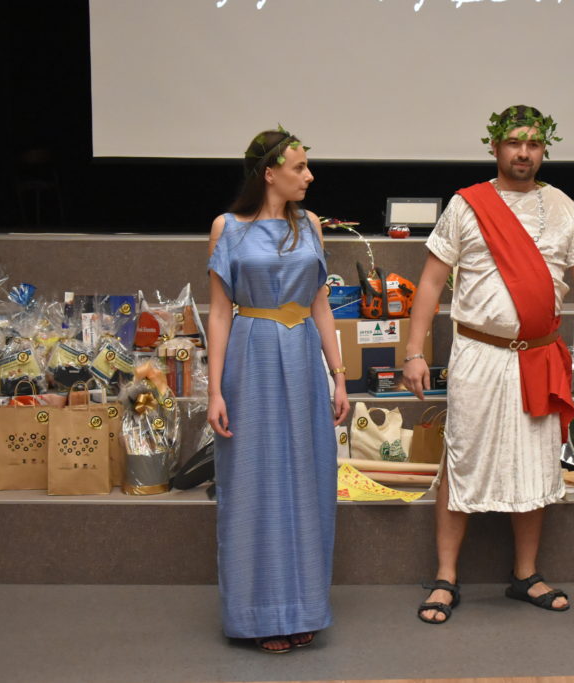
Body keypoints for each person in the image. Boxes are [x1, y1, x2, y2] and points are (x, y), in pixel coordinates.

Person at [402, 105, 574, 624]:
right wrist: (413, 352)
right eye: (514, 143)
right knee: (462, 459)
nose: (524, 153)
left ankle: (525, 574)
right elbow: (431, 282)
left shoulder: (562, 207)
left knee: (534, 463)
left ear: (544, 149)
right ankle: (446, 577)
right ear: (495, 147)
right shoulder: (467, 205)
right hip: (479, 354)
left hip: (538, 356)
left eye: (533, 144)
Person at [206, 128, 350, 653]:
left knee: (308, 477)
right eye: (299, 167)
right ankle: (258, 613)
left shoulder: (310, 224)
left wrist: (338, 375)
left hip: (302, 358)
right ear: (269, 174)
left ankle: (303, 606)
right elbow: (219, 312)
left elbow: (320, 304)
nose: (309, 176)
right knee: (252, 481)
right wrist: (214, 391)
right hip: (251, 358)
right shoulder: (227, 228)